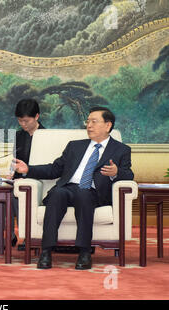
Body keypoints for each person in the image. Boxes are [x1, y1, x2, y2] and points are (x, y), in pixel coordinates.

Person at [13, 106, 134, 269]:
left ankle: (84, 252)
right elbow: (55, 169)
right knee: (57, 194)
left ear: (108, 125)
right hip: (68, 187)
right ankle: (46, 251)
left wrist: (116, 172)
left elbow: (129, 175)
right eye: (88, 121)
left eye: (94, 121)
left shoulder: (121, 150)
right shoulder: (75, 146)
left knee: (84, 195)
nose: (89, 125)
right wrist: (29, 169)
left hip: (92, 192)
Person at [11, 98, 45, 250]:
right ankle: (10, 234)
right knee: (5, 192)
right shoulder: (19, 136)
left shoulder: (47, 136)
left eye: (26, 121)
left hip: (40, 180)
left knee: (21, 193)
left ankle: (28, 236)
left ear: (37, 116)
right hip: (19, 179)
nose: (23, 124)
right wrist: (10, 173)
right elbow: (14, 160)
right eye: (20, 121)